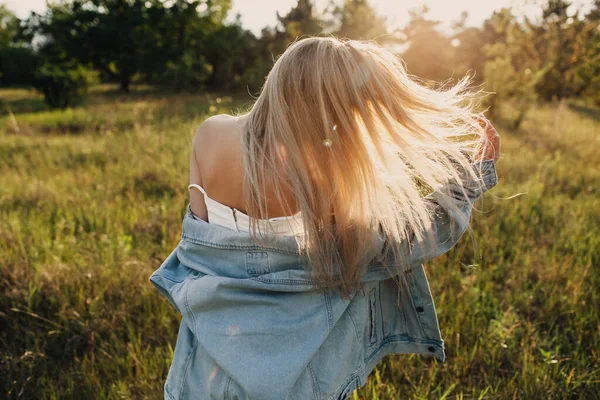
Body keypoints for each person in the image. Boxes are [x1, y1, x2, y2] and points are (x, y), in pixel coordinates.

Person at [150, 36, 500, 400]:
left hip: (203, 373)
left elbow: (199, 249)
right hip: (301, 378)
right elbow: (400, 244)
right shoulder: (325, 175)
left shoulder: (211, 134)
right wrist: (469, 181)